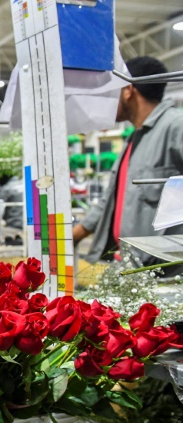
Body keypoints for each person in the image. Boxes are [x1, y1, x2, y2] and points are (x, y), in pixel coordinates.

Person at [73, 56, 183, 270]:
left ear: (128, 90)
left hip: (165, 269)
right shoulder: (135, 138)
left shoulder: (175, 126)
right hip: (132, 265)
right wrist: (73, 236)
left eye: (111, 91)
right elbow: (110, 200)